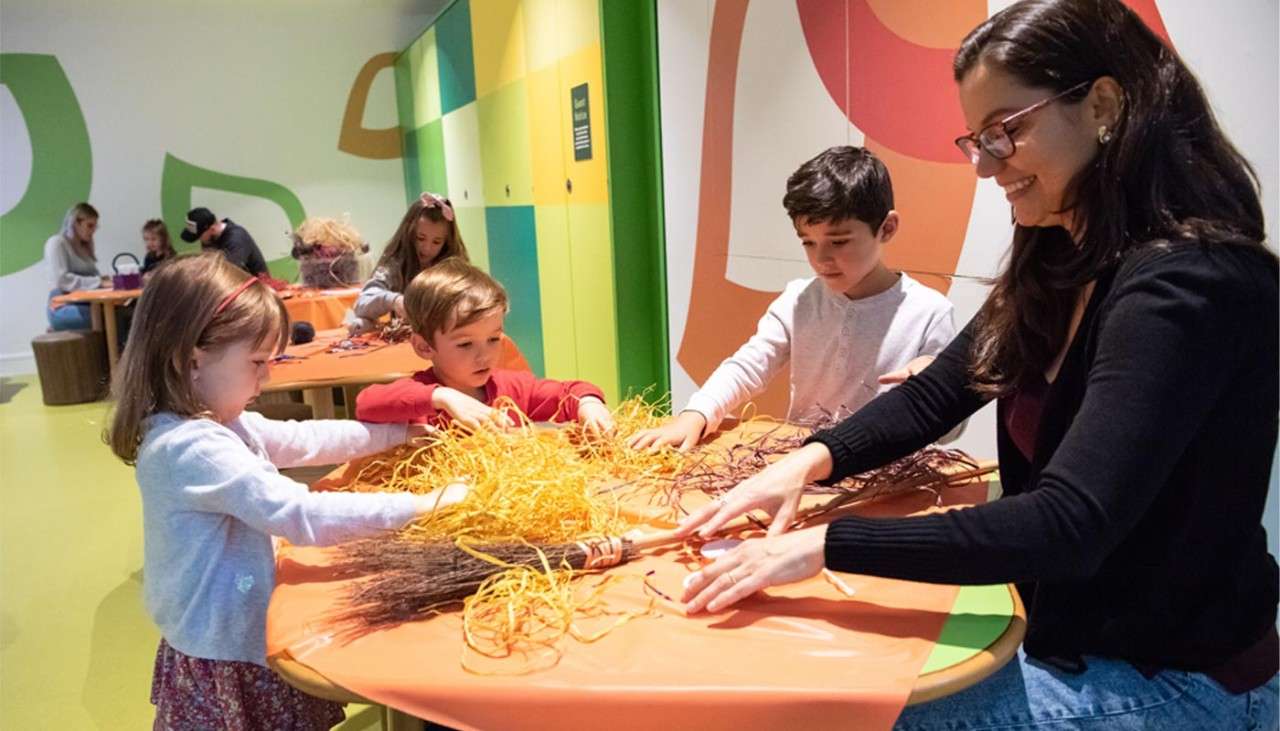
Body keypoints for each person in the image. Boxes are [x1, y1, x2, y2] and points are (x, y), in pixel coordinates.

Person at [678, 1, 1279, 728]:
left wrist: (826, 543)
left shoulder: (1189, 282)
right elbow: (938, 392)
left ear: (1103, 105)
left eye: (1005, 131)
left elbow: (1067, 521)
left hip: (1182, 677)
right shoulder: (1059, 249)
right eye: (976, 137)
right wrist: (806, 462)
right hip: (1073, 633)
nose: (984, 163)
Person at [105, 253, 460, 728]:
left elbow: (303, 438)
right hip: (225, 652)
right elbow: (297, 512)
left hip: (240, 631)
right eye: (256, 362)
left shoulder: (220, 421)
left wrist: (399, 434)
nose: (267, 378)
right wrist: (422, 506)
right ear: (190, 358)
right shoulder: (190, 446)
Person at [628, 147, 956, 452]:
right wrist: (696, 413)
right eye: (808, 243)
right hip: (804, 470)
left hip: (889, 474)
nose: (821, 259)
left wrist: (931, 389)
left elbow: (950, 431)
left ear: (886, 228)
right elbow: (748, 366)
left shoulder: (930, 314)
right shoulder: (799, 299)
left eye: (838, 242)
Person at [355, 258, 614, 435]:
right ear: (424, 347)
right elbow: (366, 404)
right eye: (465, 344)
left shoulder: (512, 389)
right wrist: (442, 397)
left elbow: (570, 391)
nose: (484, 355)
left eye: (493, 339)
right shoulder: (420, 395)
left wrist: (589, 404)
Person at [350, 192, 468, 334]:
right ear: (409, 232)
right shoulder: (395, 264)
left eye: (437, 242)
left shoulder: (453, 266)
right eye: (420, 238)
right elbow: (362, 304)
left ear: (447, 242)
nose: (427, 248)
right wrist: (393, 300)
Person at [43, 202, 104, 330]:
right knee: (110, 317)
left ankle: (117, 349)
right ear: (76, 223)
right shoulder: (57, 243)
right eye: (89, 226)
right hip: (61, 306)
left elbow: (93, 277)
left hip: (85, 303)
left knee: (121, 311)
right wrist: (99, 282)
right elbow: (62, 280)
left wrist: (104, 280)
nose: (93, 231)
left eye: (94, 227)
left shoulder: (85, 247)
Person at [181, 206, 269, 276]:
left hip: (257, 290)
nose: (199, 240)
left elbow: (226, 274)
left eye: (199, 236)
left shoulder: (236, 239)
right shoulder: (209, 238)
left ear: (212, 229)